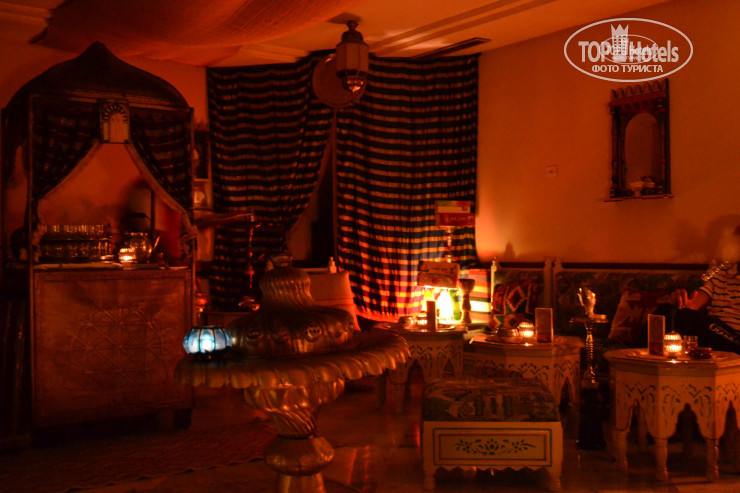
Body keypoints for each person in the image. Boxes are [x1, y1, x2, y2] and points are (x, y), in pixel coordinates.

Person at [672, 224, 740, 353]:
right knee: (673, 313)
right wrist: (683, 302)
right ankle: (642, 357)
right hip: (714, 330)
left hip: (736, 338)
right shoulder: (721, 271)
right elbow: (693, 303)